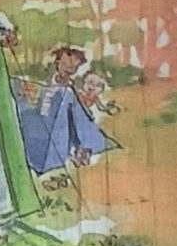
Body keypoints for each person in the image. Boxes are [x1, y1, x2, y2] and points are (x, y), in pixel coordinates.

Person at [17, 45, 110, 182]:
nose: (68, 68)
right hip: (38, 122)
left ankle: (78, 151)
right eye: (65, 63)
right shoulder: (45, 80)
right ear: (57, 62)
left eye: (73, 66)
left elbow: (77, 113)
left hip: (60, 125)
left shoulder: (71, 89)